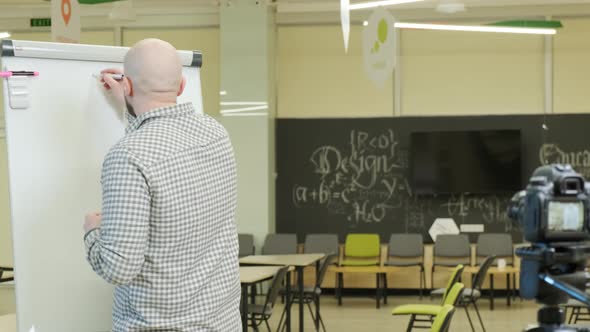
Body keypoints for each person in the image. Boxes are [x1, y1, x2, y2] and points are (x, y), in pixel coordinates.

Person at [82, 38, 241, 331]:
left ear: (126, 86)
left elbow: (119, 267)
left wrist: (92, 231)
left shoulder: (128, 157)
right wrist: (128, 108)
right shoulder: (216, 134)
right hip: (222, 323)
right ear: (181, 86)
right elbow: (159, 142)